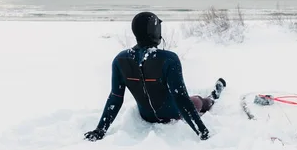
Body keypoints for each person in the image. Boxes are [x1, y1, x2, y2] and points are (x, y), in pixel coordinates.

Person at [84, 11, 226, 142]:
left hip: (146, 115)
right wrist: (202, 131)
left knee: (187, 100)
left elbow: (115, 98)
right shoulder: (168, 59)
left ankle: (211, 97)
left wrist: (100, 130)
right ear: (154, 31)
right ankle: (213, 97)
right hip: (172, 113)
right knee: (197, 100)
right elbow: (181, 99)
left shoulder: (120, 60)